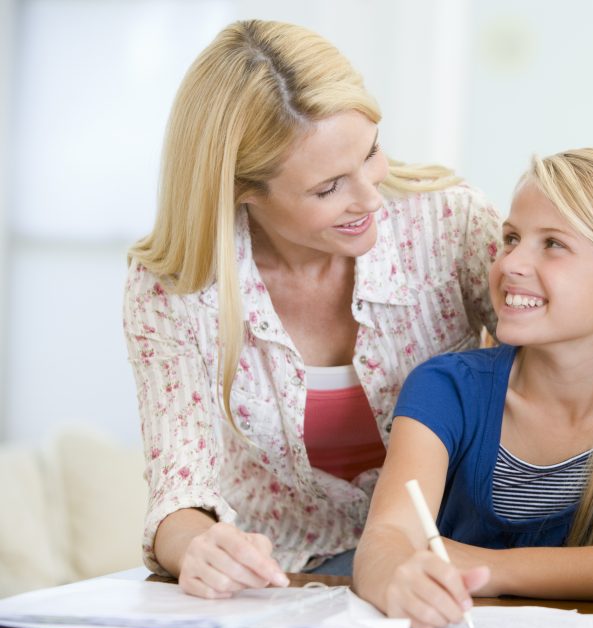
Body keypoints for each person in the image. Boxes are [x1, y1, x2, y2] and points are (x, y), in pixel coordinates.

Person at [123, 19, 500, 598]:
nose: (372, 198)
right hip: (283, 583)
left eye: (372, 153)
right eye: (328, 188)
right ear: (244, 190)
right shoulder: (176, 285)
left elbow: (566, 370)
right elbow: (180, 489)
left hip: (455, 565)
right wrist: (199, 546)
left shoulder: (450, 226)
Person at [353, 148, 593, 628]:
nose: (511, 262)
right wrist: (395, 579)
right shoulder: (446, 387)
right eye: (511, 238)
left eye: (552, 244)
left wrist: (496, 570)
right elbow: (387, 536)